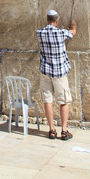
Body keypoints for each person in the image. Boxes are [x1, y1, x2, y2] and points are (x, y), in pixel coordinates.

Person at [36, 10, 76, 140]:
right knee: (64, 100)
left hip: (45, 71)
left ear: (47, 20)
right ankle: (64, 130)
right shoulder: (61, 33)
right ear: (57, 21)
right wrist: (73, 27)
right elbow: (72, 33)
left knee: (48, 100)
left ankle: (51, 129)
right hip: (59, 72)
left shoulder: (40, 33)